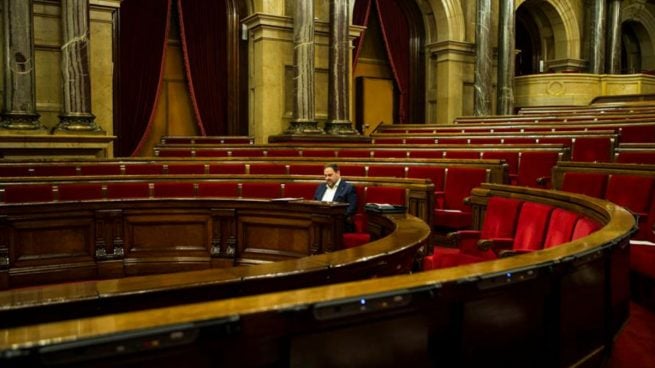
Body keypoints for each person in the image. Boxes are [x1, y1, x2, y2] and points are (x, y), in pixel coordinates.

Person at [313, 163, 357, 232]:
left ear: (338, 173)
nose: (327, 178)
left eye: (330, 175)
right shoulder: (321, 187)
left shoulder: (348, 188)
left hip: (339, 224)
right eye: (325, 176)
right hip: (320, 221)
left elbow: (351, 209)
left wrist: (334, 217)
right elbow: (314, 204)